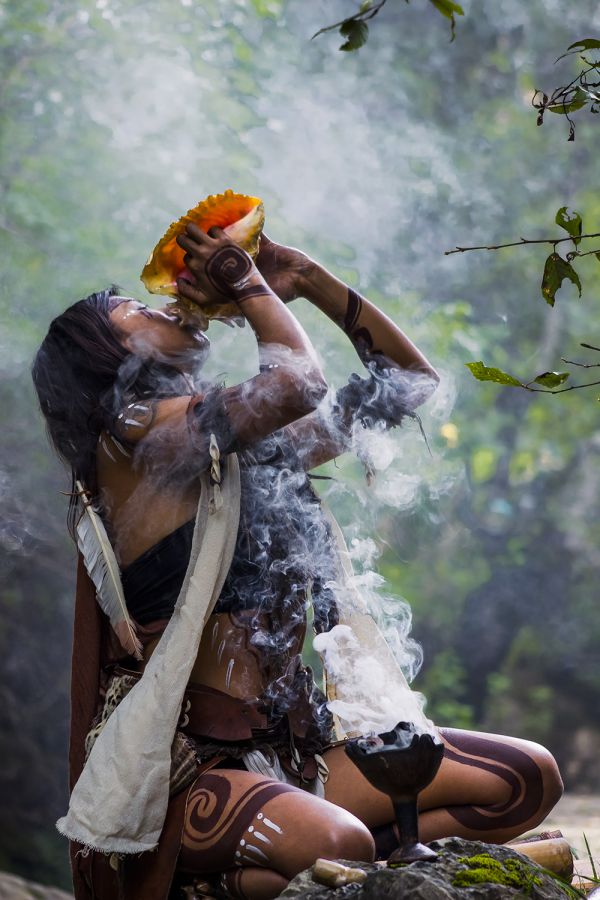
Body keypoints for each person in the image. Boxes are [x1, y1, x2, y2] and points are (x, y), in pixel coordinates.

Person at [32, 225, 563, 900]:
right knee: (339, 842)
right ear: (105, 355)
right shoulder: (134, 441)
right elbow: (299, 384)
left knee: (524, 780)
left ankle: (298, 875)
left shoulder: (239, 452)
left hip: (296, 760)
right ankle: (257, 877)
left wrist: (307, 279)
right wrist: (241, 276)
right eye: (135, 311)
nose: (167, 306)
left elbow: (408, 385)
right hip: (193, 776)